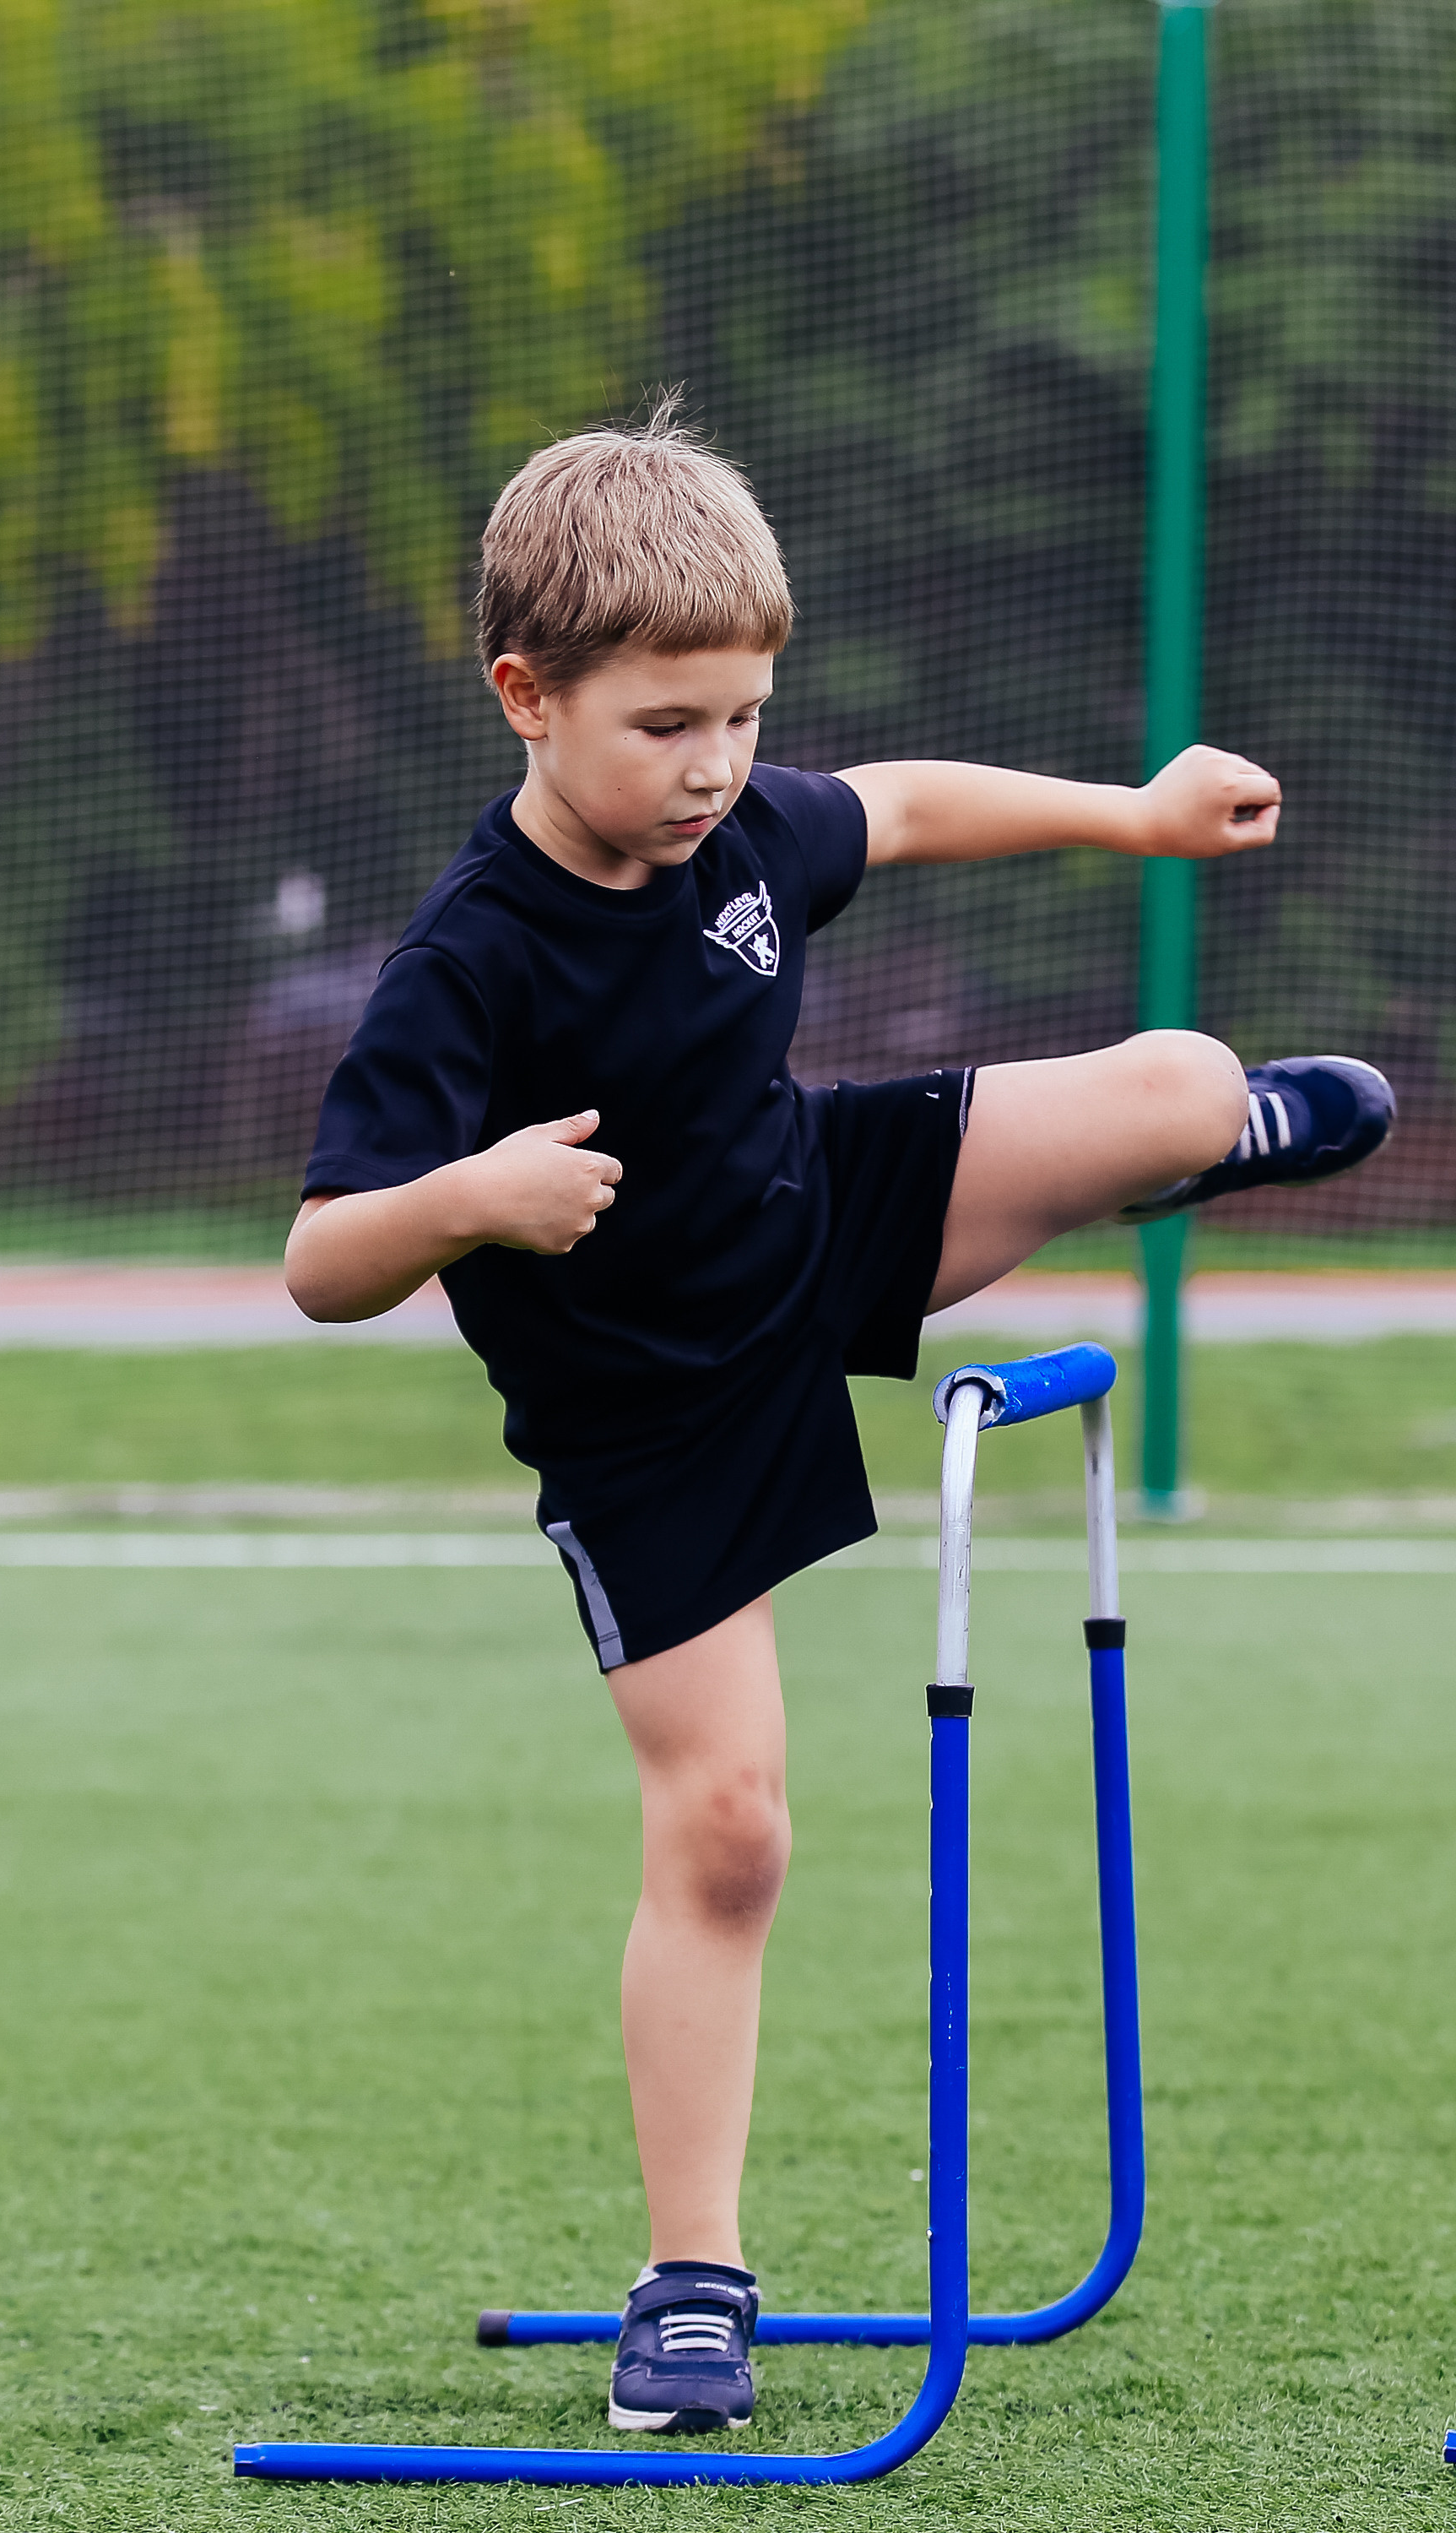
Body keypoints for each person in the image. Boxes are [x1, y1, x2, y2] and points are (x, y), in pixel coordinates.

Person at [284, 407, 1394, 2436]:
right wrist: (465, 1201)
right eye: (667, 726)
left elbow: (891, 804)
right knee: (731, 1832)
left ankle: (1206, 1137)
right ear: (525, 699)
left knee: (1169, 1076)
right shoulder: (468, 963)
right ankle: (690, 2279)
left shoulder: (740, 834)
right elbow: (323, 1259)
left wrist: (1133, 818)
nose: (715, 769)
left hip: (823, 1216)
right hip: (650, 1418)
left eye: (740, 717)